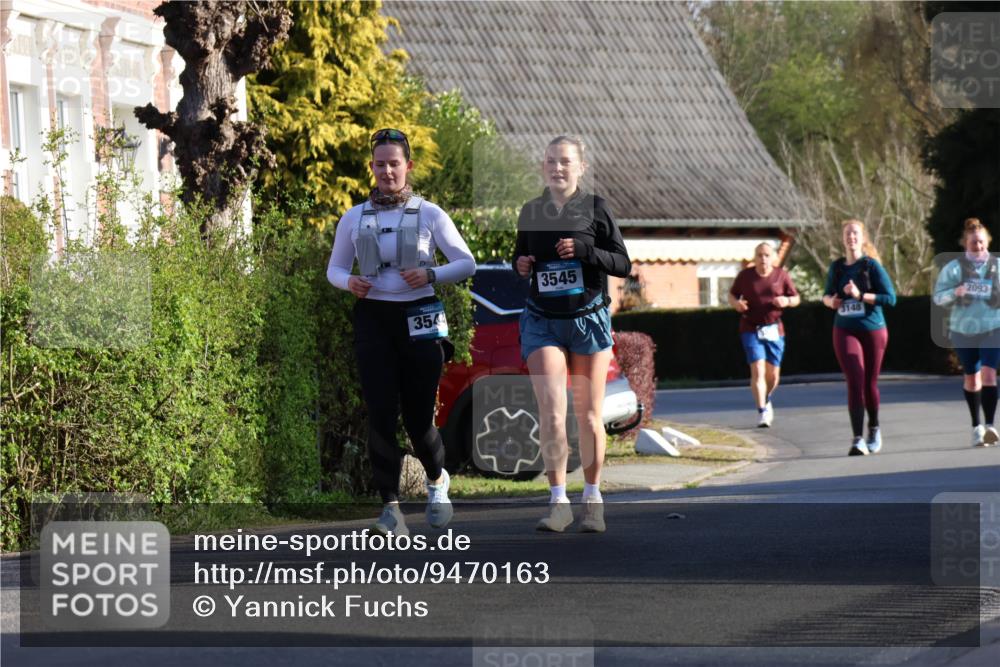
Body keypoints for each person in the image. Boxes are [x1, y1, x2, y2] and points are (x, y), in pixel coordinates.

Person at [326, 128, 475, 536]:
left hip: (420, 316)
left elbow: (467, 263)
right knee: (379, 414)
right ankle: (390, 509)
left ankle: (437, 479)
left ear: (408, 166)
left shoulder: (430, 213)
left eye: (394, 163)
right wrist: (348, 283)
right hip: (373, 318)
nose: (387, 171)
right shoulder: (354, 217)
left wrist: (431, 273)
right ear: (371, 168)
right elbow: (335, 269)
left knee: (416, 419)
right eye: (380, 164)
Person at [512, 135, 631, 533]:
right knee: (551, 411)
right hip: (542, 319)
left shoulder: (596, 208)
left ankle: (593, 498)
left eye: (565, 162)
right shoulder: (531, 210)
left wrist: (585, 252)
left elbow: (622, 263)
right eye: (550, 161)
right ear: (543, 167)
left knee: (589, 414)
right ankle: (558, 501)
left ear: (580, 167)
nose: (557, 168)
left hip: (588, 318)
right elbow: (519, 256)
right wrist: (523, 264)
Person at [822, 219, 896, 456]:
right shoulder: (837, 268)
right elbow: (824, 295)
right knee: (854, 379)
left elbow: (890, 298)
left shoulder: (871, 266)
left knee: (868, 382)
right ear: (842, 239)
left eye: (855, 233)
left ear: (862, 238)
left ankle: (873, 427)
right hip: (844, 329)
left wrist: (860, 295)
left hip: (873, 329)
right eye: (847, 234)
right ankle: (857, 439)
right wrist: (830, 302)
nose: (851, 237)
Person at [932, 218, 1000, 447]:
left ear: (987, 242)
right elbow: (938, 298)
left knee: (989, 374)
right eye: (973, 244)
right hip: (963, 329)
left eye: (981, 243)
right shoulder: (953, 268)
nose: (978, 247)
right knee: (972, 378)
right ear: (965, 244)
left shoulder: (998, 266)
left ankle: (991, 426)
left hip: (993, 327)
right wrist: (956, 292)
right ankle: (976, 426)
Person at [727, 242, 801, 427]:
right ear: (754, 258)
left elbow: (796, 298)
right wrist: (737, 304)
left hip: (774, 328)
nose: (763, 259)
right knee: (757, 369)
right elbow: (732, 295)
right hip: (751, 327)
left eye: (767, 255)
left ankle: (767, 399)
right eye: (759, 255)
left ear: (773, 257)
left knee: (773, 375)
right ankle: (761, 411)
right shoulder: (745, 276)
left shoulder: (781, 275)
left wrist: (787, 300)